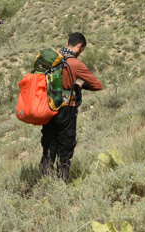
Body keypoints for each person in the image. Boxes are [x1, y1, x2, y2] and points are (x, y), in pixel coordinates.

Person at [40, 32, 102, 182]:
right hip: (67, 108)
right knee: (66, 143)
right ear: (80, 46)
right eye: (82, 50)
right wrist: (80, 85)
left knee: (49, 143)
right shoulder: (75, 63)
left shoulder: (51, 59)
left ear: (68, 44)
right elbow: (97, 84)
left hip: (48, 107)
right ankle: (63, 178)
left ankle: (45, 178)